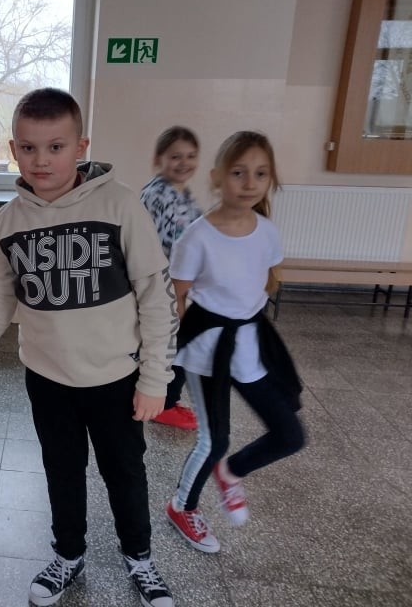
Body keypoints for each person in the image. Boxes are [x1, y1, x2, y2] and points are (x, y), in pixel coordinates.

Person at [0, 88, 177, 607]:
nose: (42, 160)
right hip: (48, 381)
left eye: (56, 147)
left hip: (115, 380)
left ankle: (139, 557)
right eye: (29, 147)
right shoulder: (7, 223)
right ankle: (68, 554)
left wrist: (155, 379)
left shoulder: (119, 204)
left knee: (124, 472)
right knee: (62, 472)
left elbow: (156, 295)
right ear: (13, 150)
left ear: (80, 147)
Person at [164, 131, 306, 554]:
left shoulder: (267, 232)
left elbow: (265, 280)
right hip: (208, 348)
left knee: (290, 434)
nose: (249, 183)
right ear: (217, 177)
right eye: (238, 172)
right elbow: (177, 298)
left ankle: (231, 472)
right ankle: (182, 506)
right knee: (214, 439)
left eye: (260, 174)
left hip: (251, 341)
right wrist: (177, 348)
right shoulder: (197, 237)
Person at [140, 126, 203, 431]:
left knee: (181, 343)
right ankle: (163, 404)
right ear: (159, 159)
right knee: (173, 344)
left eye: (190, 156)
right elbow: (161, 245)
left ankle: (166, 399)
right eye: (175, 156)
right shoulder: (157, 194)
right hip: (163, 284)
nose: (183, 162)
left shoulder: (182, 193)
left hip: (179, 285)